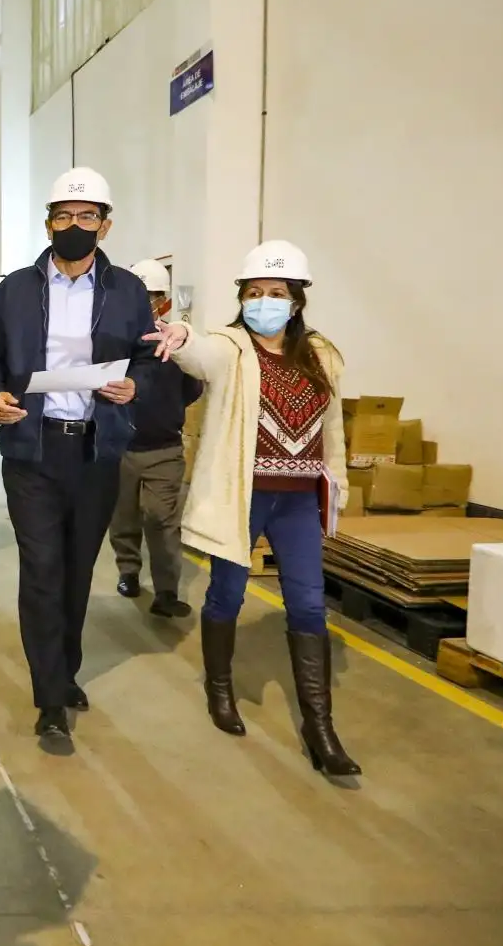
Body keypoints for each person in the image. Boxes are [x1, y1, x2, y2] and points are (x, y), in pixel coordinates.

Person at [146, 239, 360, 777]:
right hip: (244, 496)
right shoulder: (232, 347)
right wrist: (182, 337)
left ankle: (320, 728)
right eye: (255, 292)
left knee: (308, 605)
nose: (265, 301)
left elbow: (333, 428)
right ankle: (220, 691)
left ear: (297, 299)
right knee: (228, 593)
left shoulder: (322, 355)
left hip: (299, 501)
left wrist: (338, 482)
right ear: (241, 297)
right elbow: (201, 354)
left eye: (277, 292)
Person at [0, 167, 159, 756]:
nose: (74, 225)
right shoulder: (16, 290)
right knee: (42, 569)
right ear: (48, 222)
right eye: (63, 215)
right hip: (33, 448)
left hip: (96, 450)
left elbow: (148, 360)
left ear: (105, 225)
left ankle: (65, 670)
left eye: (86, 216)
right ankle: (50, 699)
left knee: (78, 571)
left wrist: (136, 385)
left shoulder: (127, 292)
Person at [109, 259, 203, 620]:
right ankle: (128, 572)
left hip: (163, 448)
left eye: (151, 296)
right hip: (120, 447)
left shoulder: (177, 345)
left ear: (163, 301)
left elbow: (193, 388)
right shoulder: (111, 341)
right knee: (123, 516)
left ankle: (166, 591)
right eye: (138, 294)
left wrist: (164, 410)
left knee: (162, 519)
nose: (145, 302)